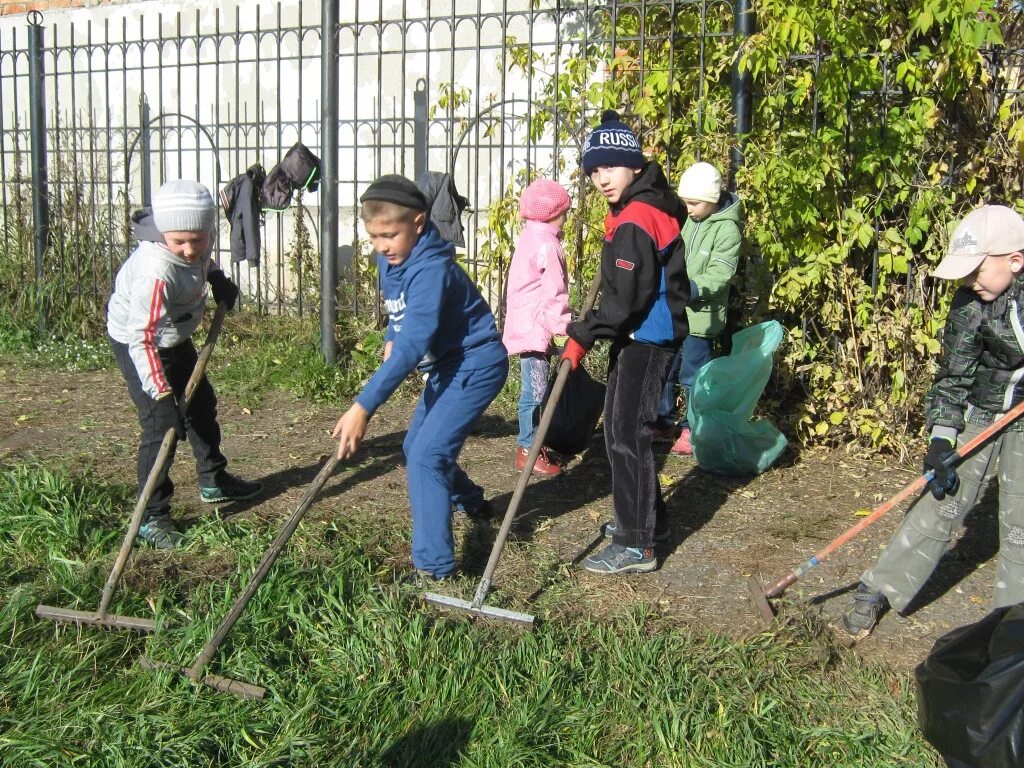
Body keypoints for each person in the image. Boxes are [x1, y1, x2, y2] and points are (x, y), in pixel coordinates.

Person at [842, 204, 1024, 636]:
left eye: (976, 269)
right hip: (984, 408)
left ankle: (1013, 621)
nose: (968, 280)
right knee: (944, 497)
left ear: (1015, 261)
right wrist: (942, 439)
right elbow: (954, 376)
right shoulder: (971, 303)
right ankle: (878, 585)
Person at [331, 174, 509, 581]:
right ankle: (473, 502)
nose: (380, 246)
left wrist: (364, 406)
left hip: (476, 364)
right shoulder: (391, 256)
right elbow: (400, 313)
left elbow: (415, 341)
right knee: (417, 447)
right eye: (373, 236)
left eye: (389, 235)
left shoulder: (432, 269)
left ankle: (434, 567)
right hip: (448, 365)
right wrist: (393, 335)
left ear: (418, 222)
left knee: (427, 455)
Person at [560, 110, 691, 575]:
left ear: (633, 164)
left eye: (608, 167)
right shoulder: (635, 210)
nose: (599, 178)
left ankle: (636, 544)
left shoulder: (638, 216)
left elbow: (625, 300)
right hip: (638, 335)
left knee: (625, 435)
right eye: (593, 170)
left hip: (647, 338)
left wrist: (584, 333)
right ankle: (651, 523)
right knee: (622, 431)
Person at [107, 180, 262, 549]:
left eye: (200, 239)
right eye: (180, 242)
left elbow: (201, 260)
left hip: (173, 336)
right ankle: (152, 515)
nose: (191, 249)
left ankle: (213, 479)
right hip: (141, 344)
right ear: (163, 234)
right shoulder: (154, 271)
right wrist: (161, 395)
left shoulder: (195, 245)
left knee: (201, 405)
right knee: (161, 428)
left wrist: (216, 277)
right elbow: (141, 339)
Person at [653, 161, 743, 455]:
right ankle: (663, 421)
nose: (688, 209)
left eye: (693, 203)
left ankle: (693, 429)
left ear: (712, 200)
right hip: (677, 310)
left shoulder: (728, 231)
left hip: (701, 318)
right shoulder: (691, 220)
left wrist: (691, 288)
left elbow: (720, 273)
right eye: (686, 202)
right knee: (666, 367)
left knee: (694, 375)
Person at [502, 178, 572, 477]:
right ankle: (528, 448)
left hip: (526, 321)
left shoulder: (530, 237)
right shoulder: (548, 244)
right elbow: (554, 291)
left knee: (535, 385)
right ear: (557, 212)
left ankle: (532, 443)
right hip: (536, 325)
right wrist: (565, 327)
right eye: (566, 210)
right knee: (536, 389)